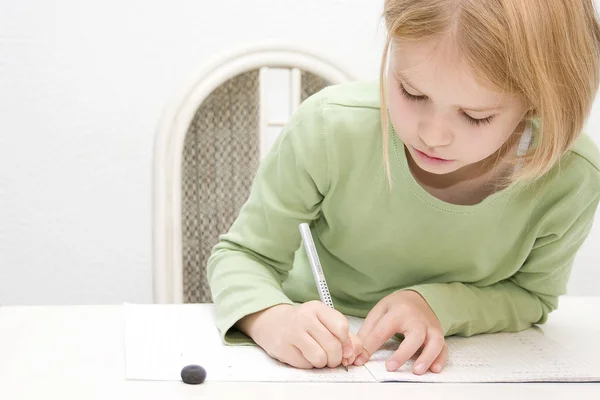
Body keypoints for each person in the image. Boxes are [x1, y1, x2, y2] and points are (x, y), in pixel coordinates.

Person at [207, 0, 600, 375]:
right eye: (412, 93)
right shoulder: (330, 129)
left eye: (475, 116)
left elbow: (531, 297)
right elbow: (242, 255)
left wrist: (436, 306)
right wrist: (270, 317)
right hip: (311, 352)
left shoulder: (570, 177)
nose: (432, 135)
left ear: (537, 102)